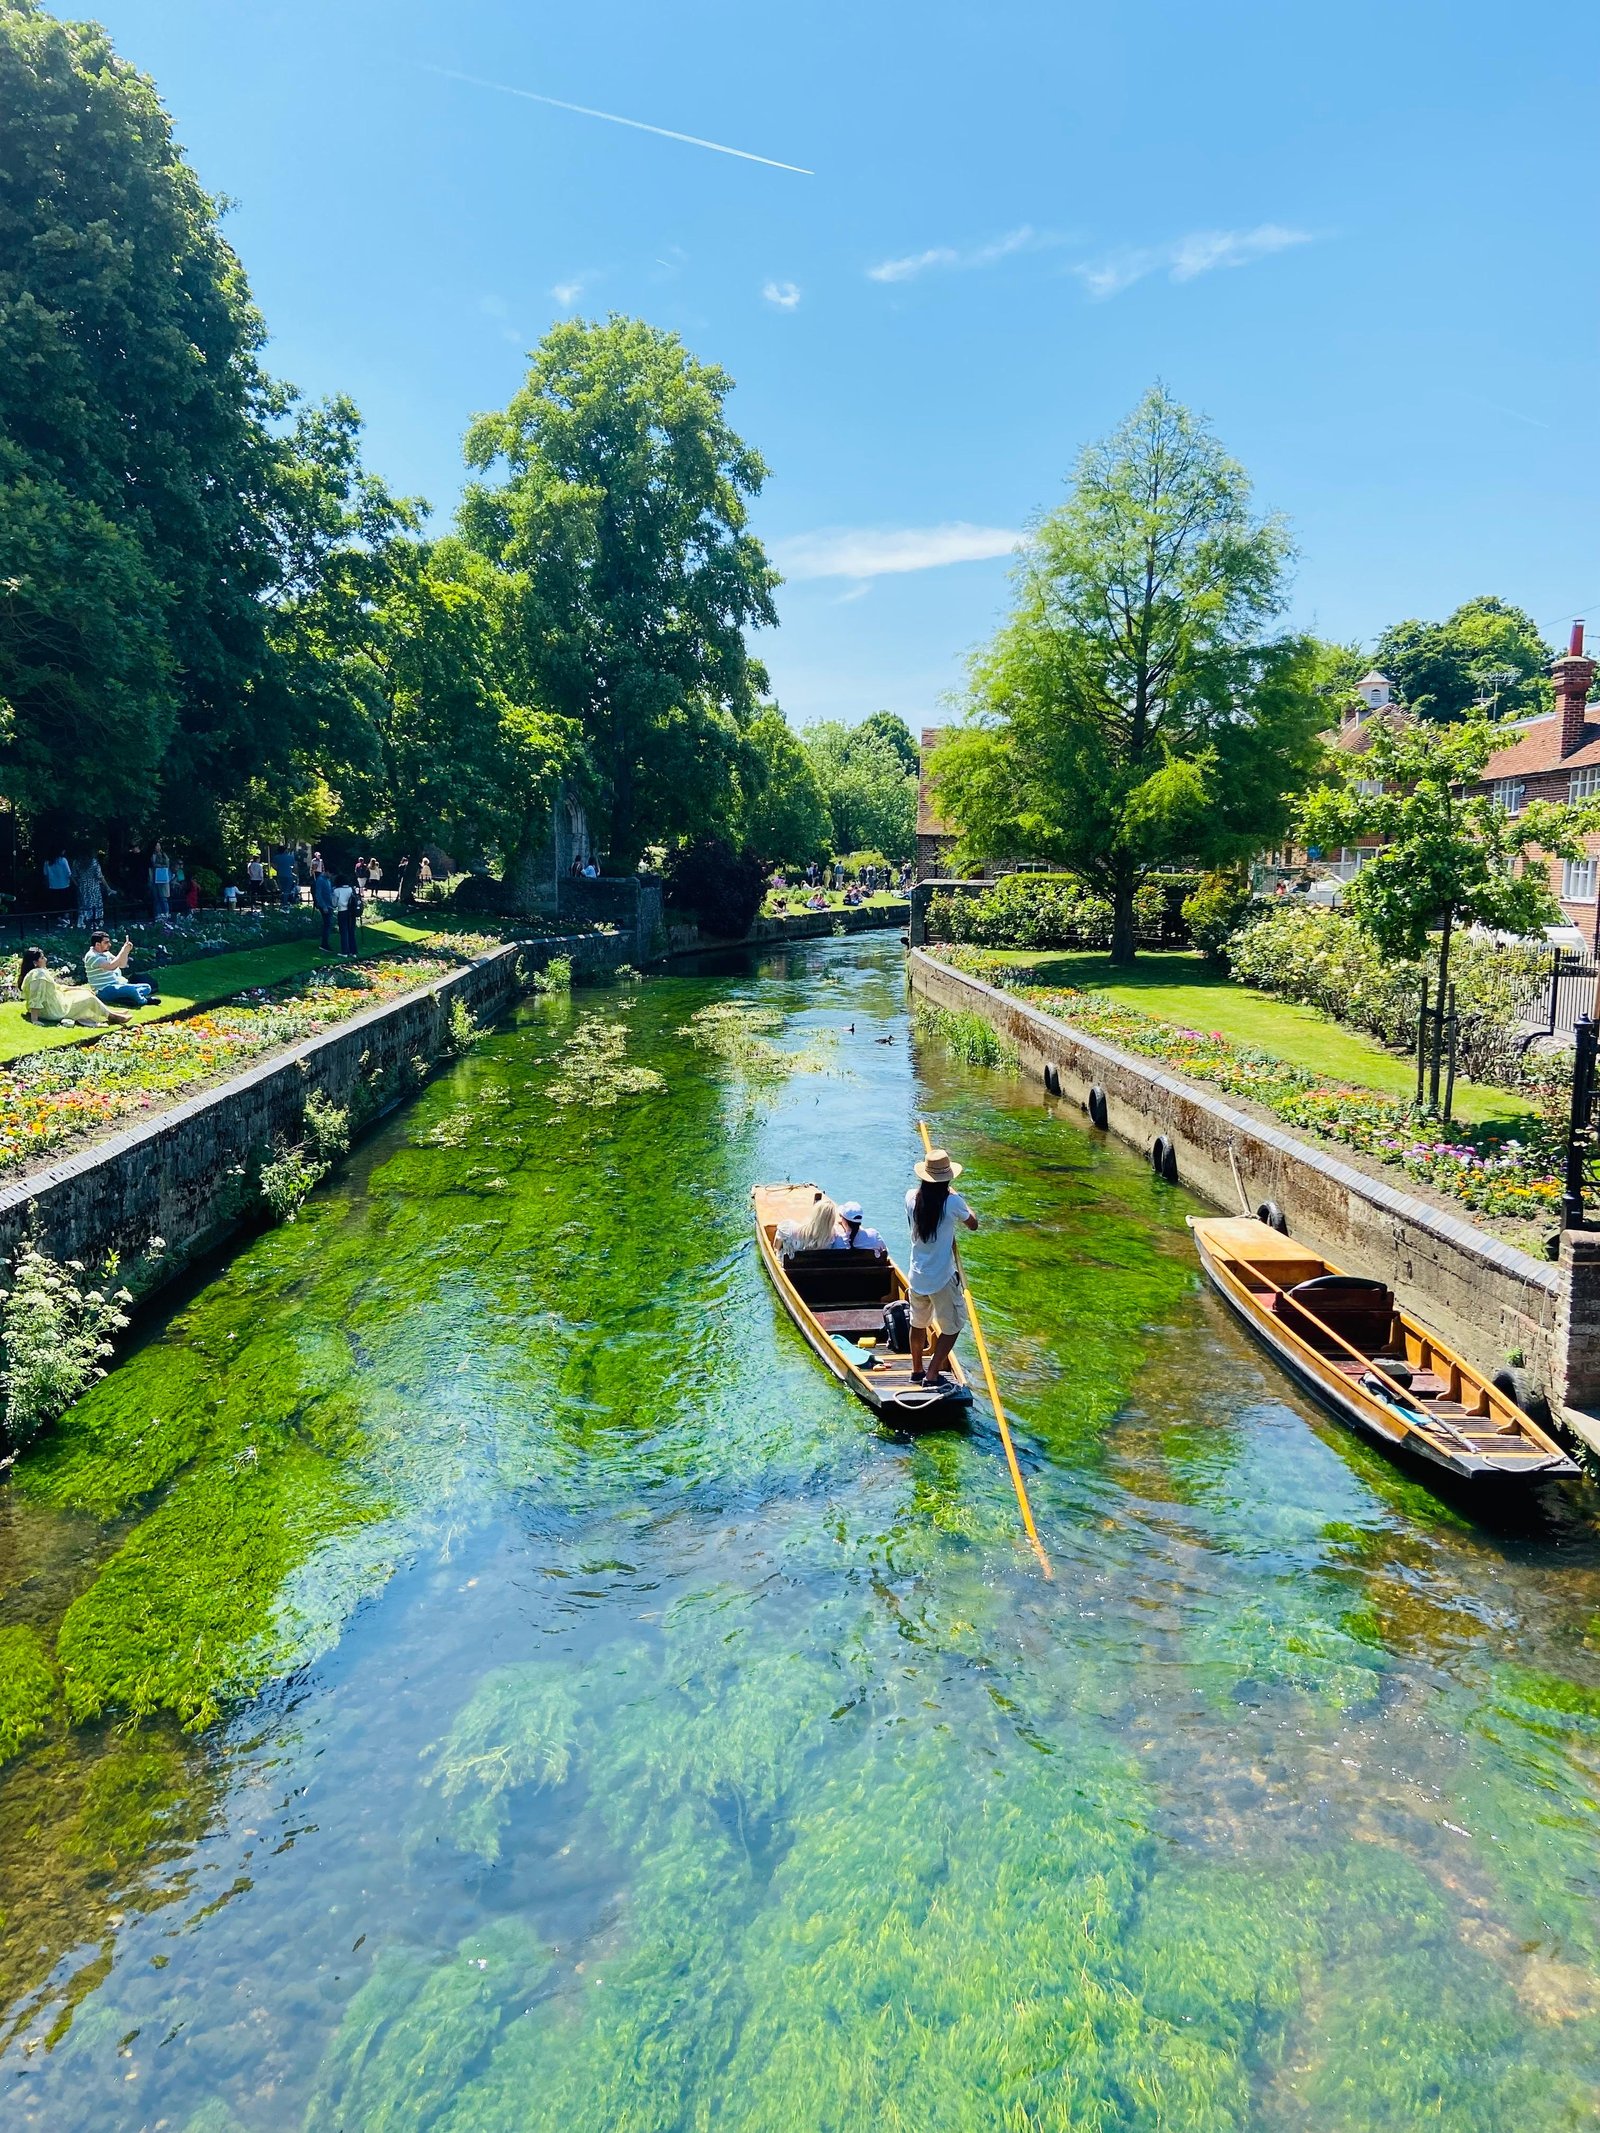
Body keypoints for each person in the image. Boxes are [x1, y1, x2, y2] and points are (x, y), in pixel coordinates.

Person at [904, 1147, 978, 1392]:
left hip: (917, 1275)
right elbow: (973, 1224)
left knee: (918, 1323)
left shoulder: (911, 1198)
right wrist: (958, 1198)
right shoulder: (952, 1202)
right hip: (942, 1278)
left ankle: (917, 1370)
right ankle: (932, 1374)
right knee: (954, 1326)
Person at [17, 946, 131, 1026]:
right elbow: (36, 997)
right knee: (89, 998)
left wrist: (78, 988)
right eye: (42, 958)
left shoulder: (39, 972)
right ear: (35, 963)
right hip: (52, 1010)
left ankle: (110, 1012)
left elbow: (58, 987)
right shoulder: (38, 975)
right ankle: (111, 1016)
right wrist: (35, 1020)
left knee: (84, 992)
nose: (45, 959)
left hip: (55, 1003)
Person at [84, 931, 160, 1008]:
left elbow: (122, 965)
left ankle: (125, 998)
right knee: (131, 990)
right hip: (103, 990)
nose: (109, 945)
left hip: (116, 984)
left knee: (147, 987)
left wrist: (126, 952)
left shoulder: (106, 953)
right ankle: (144, 1001)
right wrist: (123, 950)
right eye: (106, 943)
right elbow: (111, 966)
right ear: (97, 944)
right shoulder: (92, 956)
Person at [776, 1193, 840, 1260]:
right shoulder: (833, 1236)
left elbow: (776, 1246)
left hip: (790, 1265)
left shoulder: (789, 1228)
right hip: (816, 1266)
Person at [72, 852, 107, 932]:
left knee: (83, 904)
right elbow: (99, 876)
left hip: (82, 886)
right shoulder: (94, 862)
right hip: (93, 887)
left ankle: (82, 923)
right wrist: (107, 888)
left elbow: (73, 875)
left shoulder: (76, 862)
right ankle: (95, 923)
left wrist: (78, 885)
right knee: (95, 904)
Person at [312, 861, 336, 950]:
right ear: (327, 872)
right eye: (331, 874)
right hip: (325, 906)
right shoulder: (321, 880)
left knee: (328, 924)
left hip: (329, 905)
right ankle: (324, 944)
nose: (331, 876)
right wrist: (324, 906)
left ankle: (325, 942)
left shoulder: (327, 880)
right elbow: (318, 894)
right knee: (327, 924)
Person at [332, 874, 359, 954]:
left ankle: (345, 951)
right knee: (351, 931)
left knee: (344, 932)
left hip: (342, 911)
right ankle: (353, 951)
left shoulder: (337, 890)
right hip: (352, 912)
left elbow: (334, 904)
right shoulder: (350, 889)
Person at [43, 849, 72, 915]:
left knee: (56, 903)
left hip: (52, 885)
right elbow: (68, 873)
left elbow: (45, 874)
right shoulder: (63, 860)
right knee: (65, 903)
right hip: (64, 885)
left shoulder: (47, 862)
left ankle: (57, 917)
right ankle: (65, 917)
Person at [149, 843, 172, 919]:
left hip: (163, 878)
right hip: (155, 878)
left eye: (158, 845)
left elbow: (167, 864)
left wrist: (161, 866)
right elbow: (152, 864)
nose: (157, 847)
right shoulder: (152, 855)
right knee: (156, 897)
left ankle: (166, 913)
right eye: (156, 845)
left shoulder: (164, 855)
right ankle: (158, 914)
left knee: (163, 897)